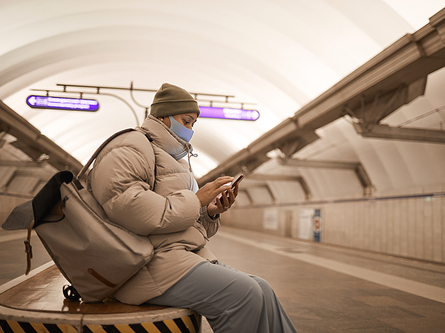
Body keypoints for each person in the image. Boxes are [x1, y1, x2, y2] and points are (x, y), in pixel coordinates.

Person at [87, 83, 297, 333]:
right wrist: (197, 200)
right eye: (186, 121)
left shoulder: (172, 158)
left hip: (175, 257)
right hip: (140, 265)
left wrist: (209, 211)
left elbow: (177, 219)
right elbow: (130, 209)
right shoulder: (129, 147)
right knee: (244, 295)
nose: (190, 130)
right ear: (163, 116)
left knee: (263, 288)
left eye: (193, 124)